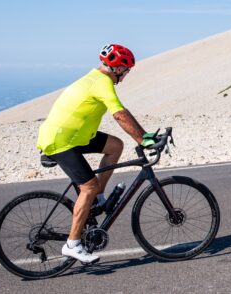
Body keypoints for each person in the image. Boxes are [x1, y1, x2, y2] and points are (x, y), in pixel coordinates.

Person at [36, 44, 157, 264]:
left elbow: (122, 114)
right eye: (126, 69)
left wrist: (143, 136)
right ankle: (72, 244)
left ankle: (98, 199)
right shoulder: (103, 83)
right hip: (61, 140)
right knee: (88, 187)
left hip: (74, 135)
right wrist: (143, 139)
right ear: (118, 68)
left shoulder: (94, 78)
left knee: (115, 146)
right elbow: (119, 114)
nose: (127, 74)